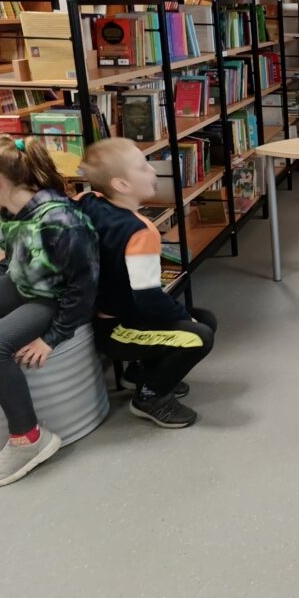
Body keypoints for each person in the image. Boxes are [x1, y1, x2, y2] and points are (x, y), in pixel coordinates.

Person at [0, 135, 98, 487]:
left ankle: (28, 437)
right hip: (22, 286)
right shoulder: (8, 211)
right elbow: (14, 258)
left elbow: (83, 288)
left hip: (53, 299)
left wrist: (52, 337)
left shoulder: (62, 221)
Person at [78, 138, 217, 428]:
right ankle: (150, 397)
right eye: (143, 167)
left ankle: (140, 373)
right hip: (118, 331)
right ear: (121, 185)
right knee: (200, 334)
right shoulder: (141, 231)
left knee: (204, 318)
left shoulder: (88, 201)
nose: (153, 170)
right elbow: (149, 298)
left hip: (103, 316)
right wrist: (185, 318)